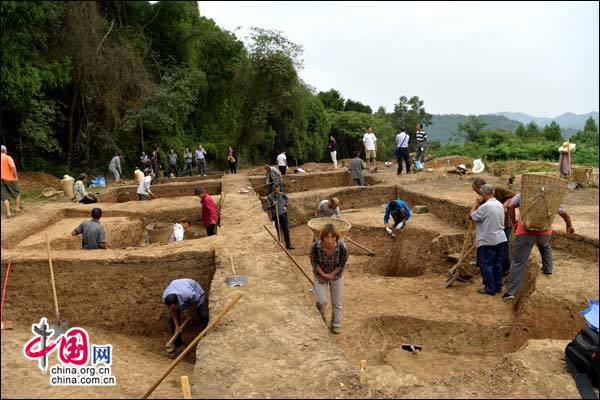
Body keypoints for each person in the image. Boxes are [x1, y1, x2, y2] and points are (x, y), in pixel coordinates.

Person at [502, 193, 575, 300]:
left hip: (525, 233)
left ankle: (511, 292)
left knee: (518, 261)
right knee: (545, 246)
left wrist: (514, 222)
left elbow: (510, 205)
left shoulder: (523, 193)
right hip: (544, 233)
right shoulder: (551, 196)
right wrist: (569, 225)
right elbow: (564, 213)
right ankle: (548, 270)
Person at [468, 184, 508, 295]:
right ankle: (497, 285)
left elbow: (472, 216)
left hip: (488, 240)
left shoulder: (486, 206)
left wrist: (475, 204)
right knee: (497, 263)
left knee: (486, 265)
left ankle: (490, 288)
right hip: (500, 238)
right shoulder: (499, 204)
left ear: (484, 194)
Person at [310, 224, 348, 334]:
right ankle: (320, 316)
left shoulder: (342, 247)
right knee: (321, 301)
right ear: (322, 237)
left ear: (337, 237)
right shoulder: (315, 247)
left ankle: (336, 323)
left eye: (333, 237)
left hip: (336, 276)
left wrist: (331, 275)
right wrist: (323, 275)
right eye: (327, 237)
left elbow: (341, 265)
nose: (330, 240)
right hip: (319, 275)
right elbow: (314, 263)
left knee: (337, 302)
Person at [471, 178, 515, 274]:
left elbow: (514, 196)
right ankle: (493, 268)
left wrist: (504, 204)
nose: (476, 193)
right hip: (492, 228)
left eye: (476, 190)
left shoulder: (498, 189)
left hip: (504, 223)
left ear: (481, 188)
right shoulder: (482, 199)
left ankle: (505, 269)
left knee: (503, 247)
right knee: (495, 250)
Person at [162, 278, 209, 354]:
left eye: (175, 307)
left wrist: (190, 313)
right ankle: (178, 344)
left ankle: (207, 336)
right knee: (171, 320)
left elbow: (196, 300)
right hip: (177, 287)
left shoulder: (188, 294)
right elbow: (172, 311)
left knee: (204, 315)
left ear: (178, 303)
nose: (173, 308)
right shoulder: (165, 297)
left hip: (194, 290)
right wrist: (177, 326)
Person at [267, 184, 294, 249]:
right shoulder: (270, 197)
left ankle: (288, 245)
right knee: (278, 230)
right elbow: (268, 207)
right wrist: (273, 205)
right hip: (275, 216)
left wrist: (285, 206)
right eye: (276, 190)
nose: (278, 191)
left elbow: (287, 199)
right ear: (273, 190)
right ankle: (280, 245)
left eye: (278, 189)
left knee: (286, 230)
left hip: (283, 214)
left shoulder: (282, 194)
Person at [1, 145, 24, 219]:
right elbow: (13, 167)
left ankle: (8, 213)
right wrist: (16, 177)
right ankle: (17, 208)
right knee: (17, 192)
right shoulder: (8, 157)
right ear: (5, 151)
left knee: (4, 197)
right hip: (9, 179)